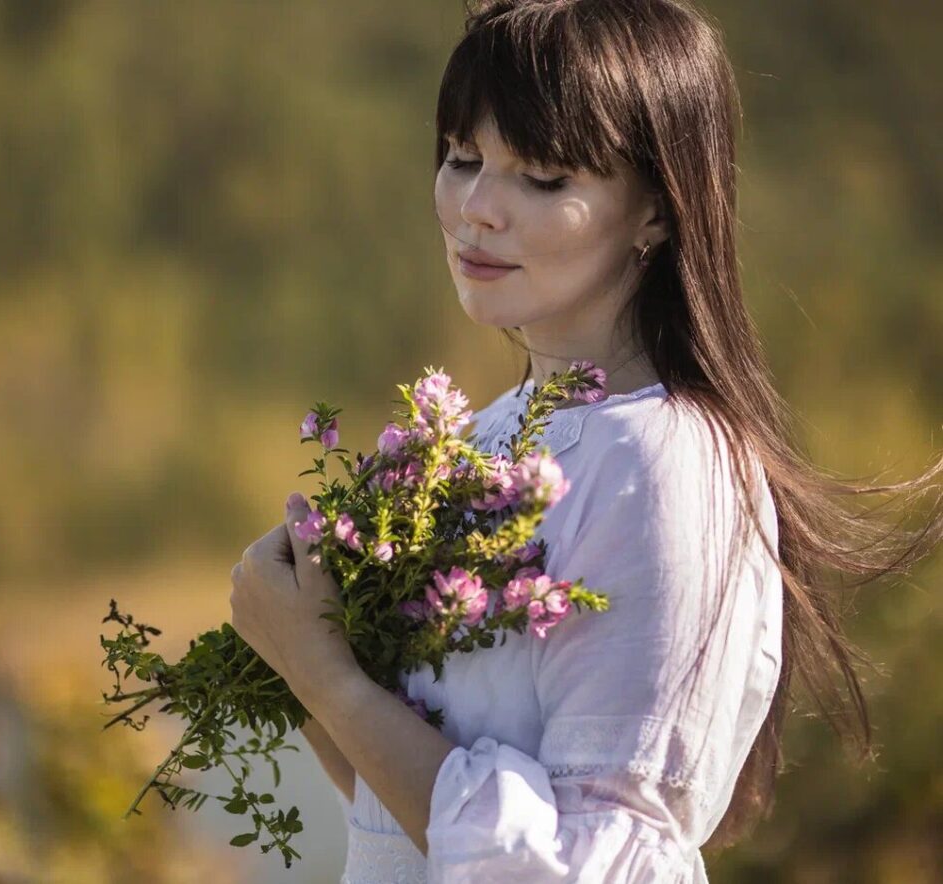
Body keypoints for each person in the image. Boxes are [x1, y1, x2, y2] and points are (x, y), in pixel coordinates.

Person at [227, 0, 943, 881]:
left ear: (657, 209)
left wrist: (326, 676)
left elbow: (588, 864)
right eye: (462, 158)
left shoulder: (664, 462)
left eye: (543, 177)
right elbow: (407, 828)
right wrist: (299, 667)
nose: (477, 209)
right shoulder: (479, 440)